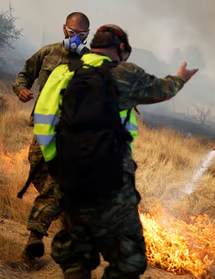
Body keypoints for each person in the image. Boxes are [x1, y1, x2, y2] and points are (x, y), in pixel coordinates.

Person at [33, 24, 198, 279]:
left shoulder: (64, 70)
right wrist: (181, 78)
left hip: (72, 176)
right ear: (121, 48)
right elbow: (161, 90)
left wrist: (57, 163)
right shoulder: (124, 72)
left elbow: (43, 121)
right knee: (128, 259)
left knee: (76, 256)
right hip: (113, 179)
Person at [12, 12, 91, 260]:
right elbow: (25, 73)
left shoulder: (91, 63)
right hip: (43, 128)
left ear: (87, 35)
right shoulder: (48, 53)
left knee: (57, 182)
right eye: (72, 32)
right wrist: (21, 89)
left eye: (81, 35)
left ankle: (35, 237)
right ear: (64, 29)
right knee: (37, 171)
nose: (75, 38)